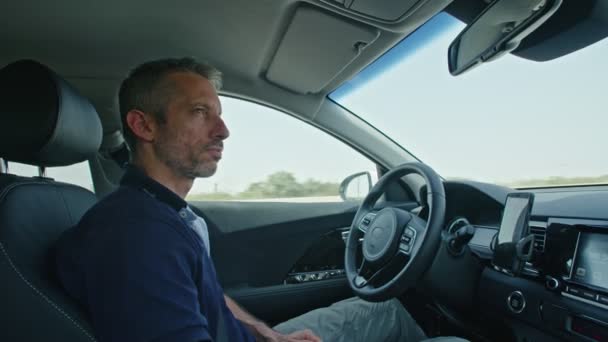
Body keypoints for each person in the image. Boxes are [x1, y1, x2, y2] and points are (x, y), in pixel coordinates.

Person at [55, 57, 463, 342]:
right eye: (200, 112)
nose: (223, 130)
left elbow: (206, 295)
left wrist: (266, 335)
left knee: (382, 310)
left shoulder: (161, 213)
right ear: (143, 125)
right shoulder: (138, 235)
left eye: (218, 113)